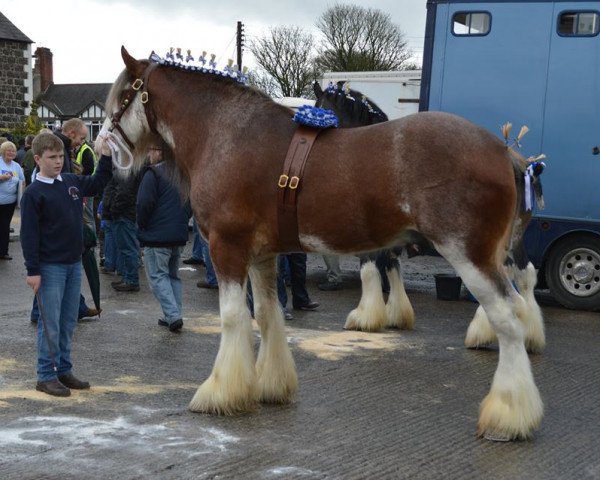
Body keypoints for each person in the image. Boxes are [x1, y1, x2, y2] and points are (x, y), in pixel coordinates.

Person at [20, 132, 112, 397]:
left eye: (61, 156)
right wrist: (32, 270)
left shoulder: (70, 181)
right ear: (37, 159)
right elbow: (29, 235)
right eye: (52, 157)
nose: (58, 161)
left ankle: (63, 369)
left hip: (73, 264)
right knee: (50, 323)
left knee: (68, 319)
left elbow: (98, 183)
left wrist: (105, 155)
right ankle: (45, 375)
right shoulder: (34, 193)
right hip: (50, 267)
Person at [137, 145, 192, 332]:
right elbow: (190, 202)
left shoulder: (153, 174)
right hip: (177, 234)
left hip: (156, 235)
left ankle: (173, 315)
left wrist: (142, 225)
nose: (149, 153)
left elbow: (143, 203)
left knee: (157, 277)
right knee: (173, 276)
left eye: (151, 149)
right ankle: (173, 314)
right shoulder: (183, 174)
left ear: (160, 152)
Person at [110, 166, 144, 292]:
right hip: (127, 213)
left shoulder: (127, 170)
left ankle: (131, 280)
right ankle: (127, 278)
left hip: (125, 214)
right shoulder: (131, 168)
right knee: (126, 248)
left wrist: (114, 209)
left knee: (128, 248)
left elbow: (124, 193)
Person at [0, 141, 25, 260]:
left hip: (10, 202)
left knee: (5, 227)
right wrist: (1, 178)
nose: (11, 153)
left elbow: (22, 181)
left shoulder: (16, 166)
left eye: (13, 151)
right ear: (3, 151)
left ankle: (3, 252)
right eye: (8, 150)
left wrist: (22, 197)